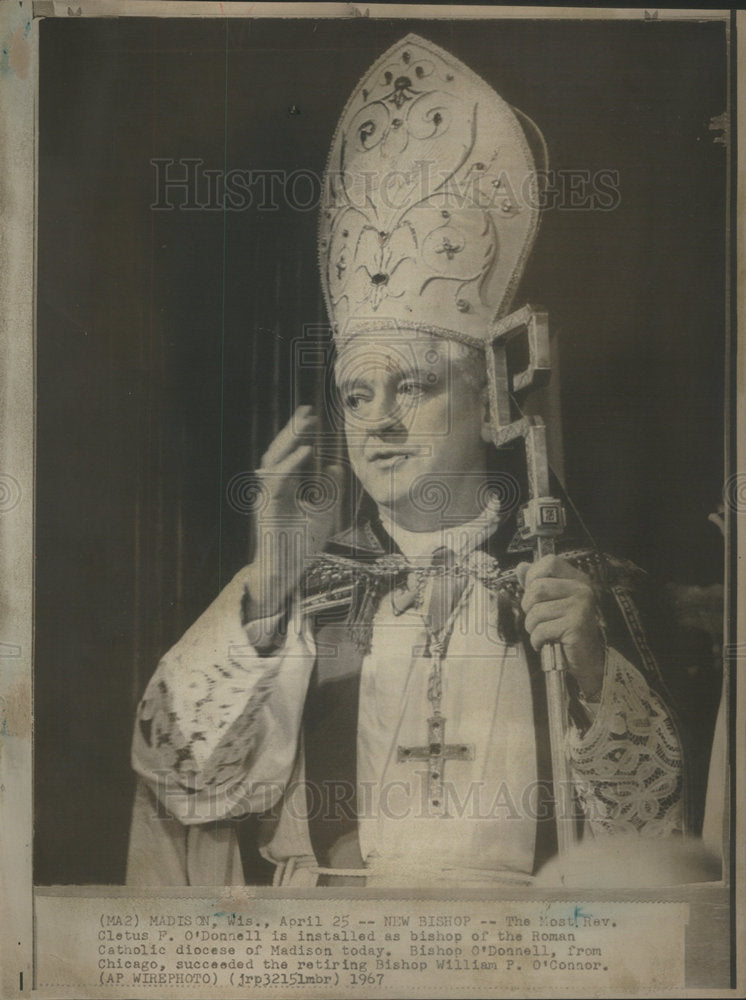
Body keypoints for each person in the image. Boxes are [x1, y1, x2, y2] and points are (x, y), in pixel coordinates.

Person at [127, 33, 684, 887]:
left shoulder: (573, 592)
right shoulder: (307, 597)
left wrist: (592, 669)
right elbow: (183, 775)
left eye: (412, 388)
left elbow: (654, 831)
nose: (378, 422)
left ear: (487, 402)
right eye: (356, 396)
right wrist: (271, 583)